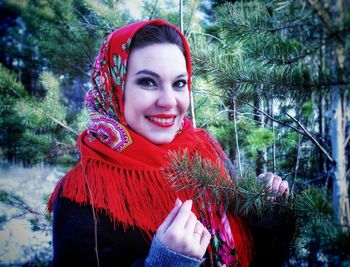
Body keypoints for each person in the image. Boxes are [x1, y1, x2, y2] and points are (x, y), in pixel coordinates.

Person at [47, 19, 290, 267]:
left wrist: (267, 215)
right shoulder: (83, 192)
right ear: (114, 89)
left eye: (179, 83)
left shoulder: (205, 150)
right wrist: (163, 263)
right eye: (148, 82)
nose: (168, 101)